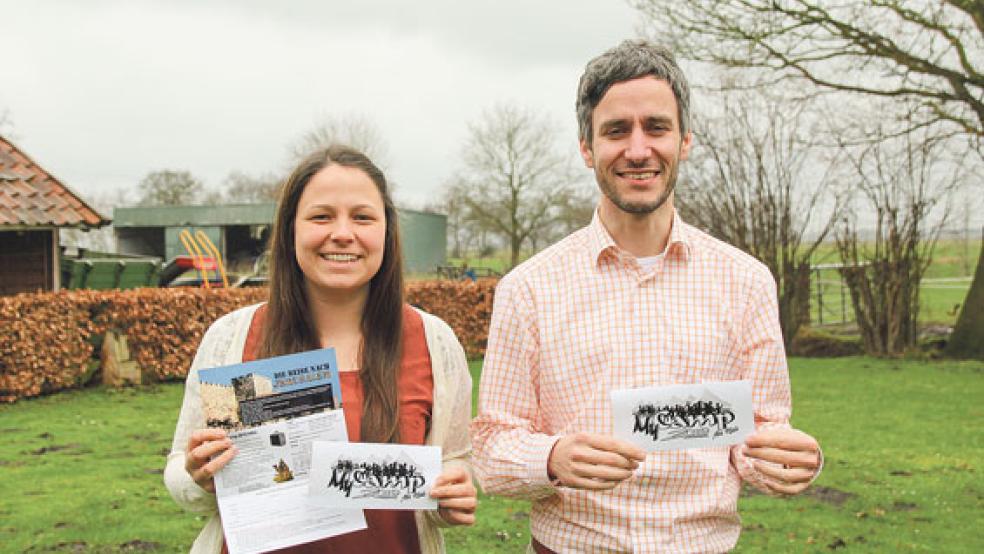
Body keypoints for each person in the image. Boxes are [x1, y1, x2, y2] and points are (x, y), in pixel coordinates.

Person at [470, 40, 822, 553]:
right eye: (616, 131)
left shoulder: (746, 281)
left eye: (656, 127)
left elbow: (760, 436)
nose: (638, 150)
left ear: (685, 141)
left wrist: (784, 460)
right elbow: (490, 449)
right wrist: (552, 457)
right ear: (587, 148)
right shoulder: (528, 289)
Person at [164, 145, 477, 554]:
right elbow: (179, 472)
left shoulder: (434, 341)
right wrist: (198, 476)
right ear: (291, 228)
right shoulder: (232, 337)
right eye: (321, 216)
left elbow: (455, 462)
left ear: (386, 230)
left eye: (363, 217)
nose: (343, 233)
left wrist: (449, 496)